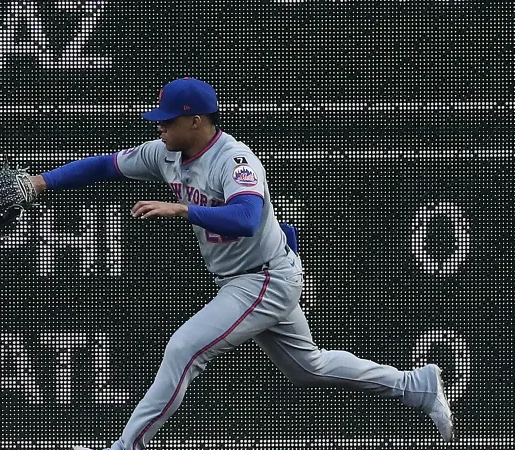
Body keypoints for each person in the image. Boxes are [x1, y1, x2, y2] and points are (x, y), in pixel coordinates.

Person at [25, 77, 456, 450]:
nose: (160, 126)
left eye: (168, 120)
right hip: (253, 275)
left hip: (263, 278)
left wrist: (183, 210)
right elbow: (106, 165)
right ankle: (415, 385)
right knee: (309, 368)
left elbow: (247, 218)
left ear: (196, 121)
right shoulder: (165, 153)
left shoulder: (234, 160)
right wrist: (41, 182)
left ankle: (126, 446)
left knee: (183, 349)